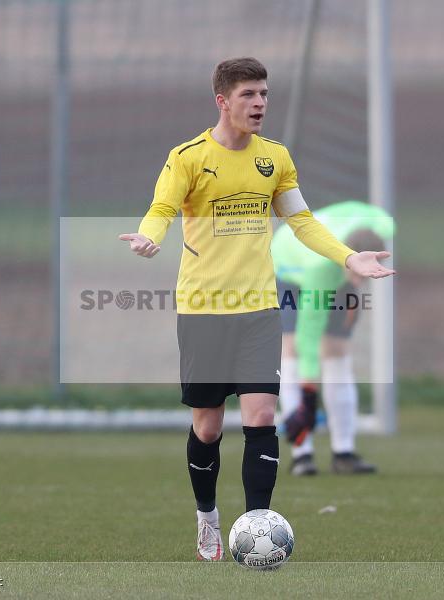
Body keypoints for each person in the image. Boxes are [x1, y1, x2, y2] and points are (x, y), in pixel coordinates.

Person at [118, 58, 395, 561]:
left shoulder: (275, 158)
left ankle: (257, 528)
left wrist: (350, 256)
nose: (260, 103)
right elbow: (162, 209)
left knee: (261, 416)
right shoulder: (187, 158)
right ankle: (207, 515)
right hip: (203, 310)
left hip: (259, 309)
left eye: (264, 94)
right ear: (222, 101)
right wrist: (150, 237)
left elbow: (303, 221)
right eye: (248, 95)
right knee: (208, 427)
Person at [272, 200, 396, 477]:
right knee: (294, 349)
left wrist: (355, 273)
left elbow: (358, 210)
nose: (357, 283)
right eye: (355, 274)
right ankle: (302, 455)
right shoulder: (320, 267)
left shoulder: (384, 226)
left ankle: (344, 452)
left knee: (337, 350)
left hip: (334, 259)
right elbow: (308, 336)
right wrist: (308, 397)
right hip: (291, 265)